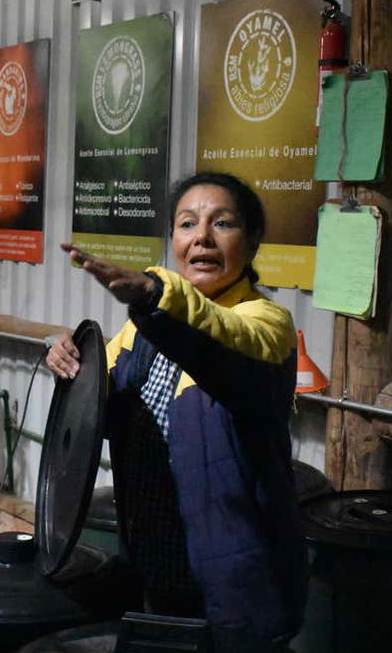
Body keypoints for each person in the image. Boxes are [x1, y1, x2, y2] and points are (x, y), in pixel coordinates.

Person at [47, 172, 306, 651]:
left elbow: (216, 339)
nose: (202, 237)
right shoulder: (142, 331)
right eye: (187, 224)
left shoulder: (266, 324)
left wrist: (153, 293)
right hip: (151, 565)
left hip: (235, 581)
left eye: (222, 223)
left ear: (250, 243)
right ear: (174, 239)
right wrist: (68, 358)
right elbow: (96, 411)